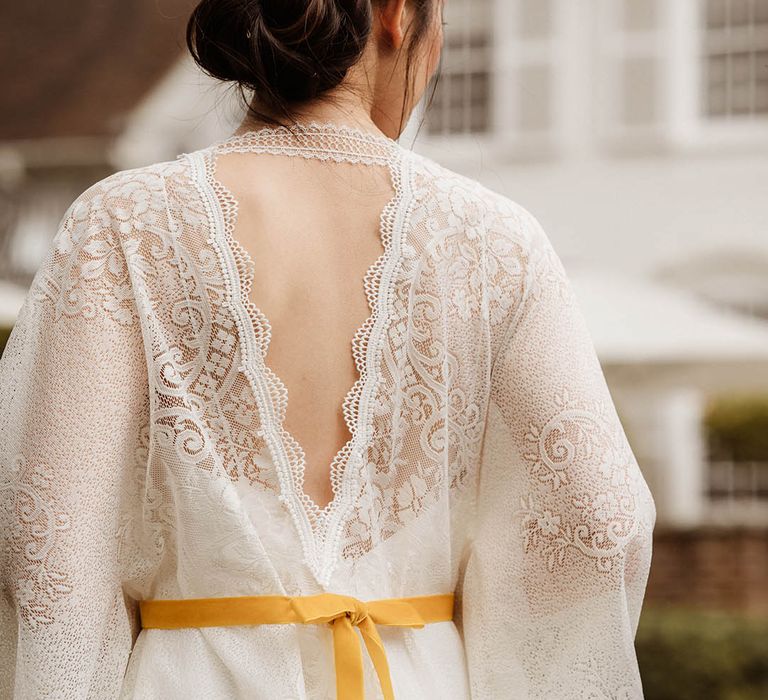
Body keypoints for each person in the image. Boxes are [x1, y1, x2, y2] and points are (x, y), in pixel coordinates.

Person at [0, 0, 657, 698]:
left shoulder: (121, 224)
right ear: (397, 15)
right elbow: (598, 521)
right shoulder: (497, 240)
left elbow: (46, 539)